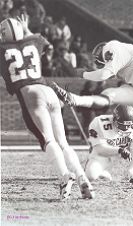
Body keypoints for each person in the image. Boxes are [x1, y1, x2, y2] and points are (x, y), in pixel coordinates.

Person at [52, 40, 133, 185]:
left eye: (102, 61)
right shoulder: (124, 53)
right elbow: (113, 76)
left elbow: (104, 74)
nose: (103, 63)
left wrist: (84, 74)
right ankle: (75, 99)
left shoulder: (113, 48)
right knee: (109, 93)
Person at [0, 15, 94, 199]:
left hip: (31, 94)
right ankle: (84, 179)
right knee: (63, 142)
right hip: (48, 89)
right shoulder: (34, 41)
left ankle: (64, 177)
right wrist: (26, 30)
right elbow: (44, 42)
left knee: (48, 140)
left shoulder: (2, 49)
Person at [85, 105, 133, 183]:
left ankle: (130, 172)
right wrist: (119, 150)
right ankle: (102, 171)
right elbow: (98, 149)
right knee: (91, 175)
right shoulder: (99, 123)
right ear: (114, 120)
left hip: (126, 150)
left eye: (128, 125)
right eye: (122, 125)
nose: (126, 129)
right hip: (105, 153)